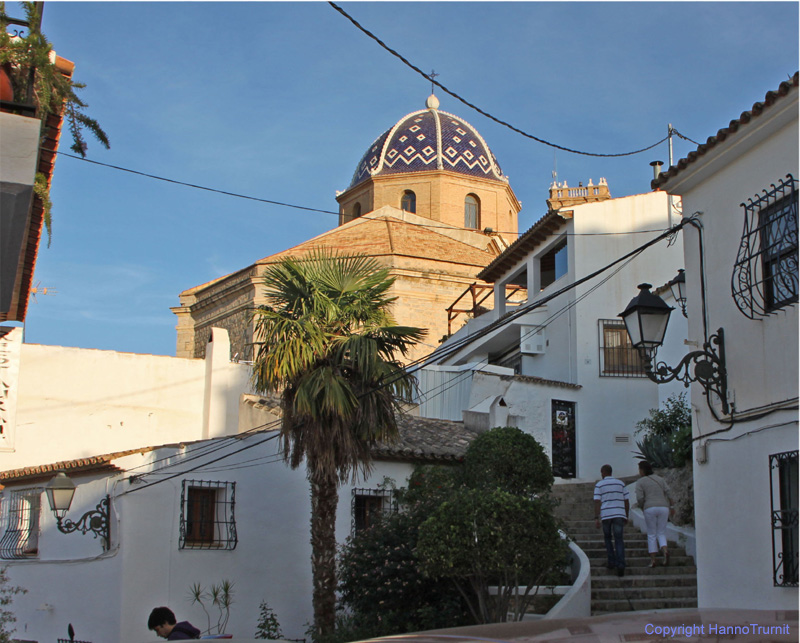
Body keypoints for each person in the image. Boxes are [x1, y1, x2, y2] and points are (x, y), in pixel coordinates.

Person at [636, 459, 674, 567]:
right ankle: (665, 550)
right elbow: (669, 492)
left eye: (639, 469)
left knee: (651, 534)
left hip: (650, 508)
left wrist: (642, 506)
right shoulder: (660, 479)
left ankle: (653, 560)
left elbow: (640, 498)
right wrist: (672, 506)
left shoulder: (640, 482)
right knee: (661, 532)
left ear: (642, 470)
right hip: (663, 507)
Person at [594, 463, 630, 577]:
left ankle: (611, 562)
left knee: (608, 538)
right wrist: (626, 515)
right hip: (619, 514)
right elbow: (626, 501)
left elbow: (597, 501)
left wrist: (596, 517)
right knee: (619, 539)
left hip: (606, 514)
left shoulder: (599, 485)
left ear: (603, 473)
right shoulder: (621, 483)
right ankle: (621, 564)